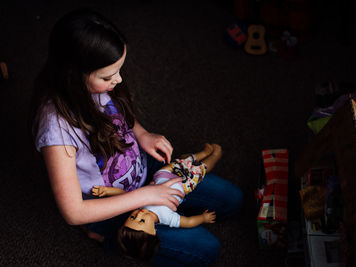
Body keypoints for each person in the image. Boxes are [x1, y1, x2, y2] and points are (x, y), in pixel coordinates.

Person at [30, 8, 243, 266]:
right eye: (108, 76)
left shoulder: (99, 85)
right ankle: (112, 238)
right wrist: (148, 196)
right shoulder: (57, 129)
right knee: (207, 250)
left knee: (233, 200)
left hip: (144, 172)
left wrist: (142, 134)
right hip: (112, 203)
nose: (118, 80)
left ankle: (162, 217)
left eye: (119, 70)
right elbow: (73, 212)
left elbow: (118, 115)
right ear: (73, 75)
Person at [91, 143, 221, 260]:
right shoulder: (166, 217)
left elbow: (125, 195)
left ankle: (202, 154)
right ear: (152, 231)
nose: (139, 214)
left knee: (181, 162)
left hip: (162, 175)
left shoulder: (138, 206)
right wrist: (203, 218)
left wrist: (108, 191)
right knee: (199, 170)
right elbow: (188, 222)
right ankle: (214, 156)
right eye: (142, 221)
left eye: (133, 216)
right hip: (183, 184)